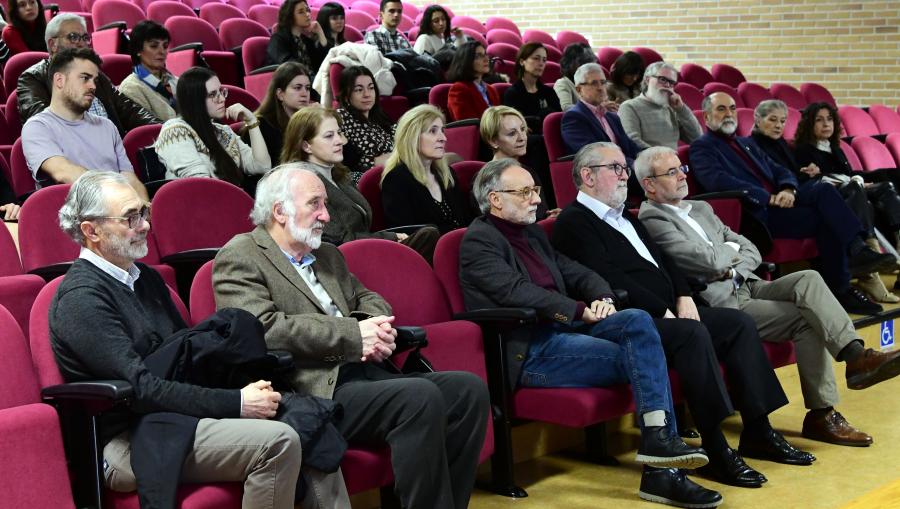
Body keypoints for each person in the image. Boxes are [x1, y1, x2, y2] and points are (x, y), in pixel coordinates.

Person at [213, 165, 490, 509]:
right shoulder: (241, 256)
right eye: (315, 204)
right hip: (312, 386)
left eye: (325, 204)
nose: (326, 215)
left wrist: (369, 329)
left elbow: (371, 299)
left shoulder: (327, 254)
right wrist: (353, 335)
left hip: (366, 373)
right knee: (418, 396)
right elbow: (262, 329)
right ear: (279, 210)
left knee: (468, 391)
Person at [459, 158, 722, 509]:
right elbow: (518, 292)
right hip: (534, 351)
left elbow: (576, 271)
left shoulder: (533, 233)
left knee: (637, 319)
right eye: (524, 192)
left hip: (567, 332)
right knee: (645, 355)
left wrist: (601, 297)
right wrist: (580, 310)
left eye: (535, 190)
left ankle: (659, 446)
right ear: (495, 199)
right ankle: (663, 468)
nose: (536, 199)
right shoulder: (479, 242)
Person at [552, 141, 812, 488]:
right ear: (587, 176)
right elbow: (607, 277)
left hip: (670, 310)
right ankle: (716, 448)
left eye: (624, 169)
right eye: (615, 169)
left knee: (737, 323)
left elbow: (665, 261)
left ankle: (758, 430)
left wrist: (684, 294)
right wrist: (663, 308)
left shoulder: (624, 216)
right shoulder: (574, 222)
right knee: (692, 334)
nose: (623, 176)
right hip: (631, 320)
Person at [49, 171, 305, 509]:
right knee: (279, 441)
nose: (144, 225)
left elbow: (184, 360)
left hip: (172, 416)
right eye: (130, 217)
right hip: (129, 437)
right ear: (91, 230)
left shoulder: (146, 278)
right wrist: (237, 403)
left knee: (308, 419)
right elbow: (141, 389)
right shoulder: (81, 298)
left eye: (144, 212)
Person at [636, 145, 900, 448]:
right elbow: (706, 261)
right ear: (650, 185)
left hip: (746, 282)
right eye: (671, 172)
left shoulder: (701, 208)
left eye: (681, 168)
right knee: (807, 320)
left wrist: (729, 259)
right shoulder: (652, 219)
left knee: (809, 278)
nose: (682, 176)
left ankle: (856, 356)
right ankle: (822, 415)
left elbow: (750, 248)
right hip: (724, 301)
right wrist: (728, 254)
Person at [690, 92, 895, 314]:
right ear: (707, 117)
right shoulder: (702, 147)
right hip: (756, 214)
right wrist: (767, 197)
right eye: (721, 109)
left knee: (824, 190)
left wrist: (788, 188)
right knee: (826, 219)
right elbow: (717, 181)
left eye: (731, 108)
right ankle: (844, 283)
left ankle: (854, 253)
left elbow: (780, 170)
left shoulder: (744, 143)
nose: (728, 114)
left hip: (781, 202)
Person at [753, 100, 900, 303]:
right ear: (757, 119)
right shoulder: (755, 145)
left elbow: (787, 173)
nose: (779, 125)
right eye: (773, 120)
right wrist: (797, 181)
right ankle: (860, 264)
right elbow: (773, 177)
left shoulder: (785, 144)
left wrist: (799, 175)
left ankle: (862, 263)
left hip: (801, 191)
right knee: (838, 199)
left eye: (782, 121)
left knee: (880, 188)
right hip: (781, 203)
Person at [280, 106, 438, 256]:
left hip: (367, 247)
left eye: (339, 133)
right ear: (306, 146)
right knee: (429, 236)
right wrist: (390, 237)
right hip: (347, 260)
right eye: (329, 136)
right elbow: (340, 240)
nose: (340, 141)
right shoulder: (305, 186)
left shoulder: (339, 174)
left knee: (430, 234)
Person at [21, 48, 148, 201]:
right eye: (85, 78)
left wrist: (143, 208)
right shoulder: (38, 127)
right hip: (76, 217)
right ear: (59, 80)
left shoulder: (107, 126)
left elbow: (130, 178)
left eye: (95, 80)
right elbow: (63, 173)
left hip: (121, 213)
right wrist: (119, 198)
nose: (93, 86)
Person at [17, 13, 158, 135]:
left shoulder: (97, 76)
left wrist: (162, 129)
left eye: (85, 37)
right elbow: (43, 125)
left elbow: (130, 110)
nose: (81, 43)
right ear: (53, 44)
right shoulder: (33, 78)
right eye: (73, 37)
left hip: (115, 151)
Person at [154, 67, 271, 184]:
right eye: (212, 94)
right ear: (195, 100)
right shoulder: (175, 130)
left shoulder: (224, 132)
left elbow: (263, 167)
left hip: (231, 197)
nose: (222, 99)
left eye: (220, 91)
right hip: (200, 200)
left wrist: (251, 122)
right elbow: (199, 184)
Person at [381, 105, 471, 234]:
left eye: (442, 131)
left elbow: (465, 221)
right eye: (433, 131)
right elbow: (409, 237)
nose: (443, 138)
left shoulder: (447, 174)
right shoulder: (396, 180)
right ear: (412, 137)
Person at [480, 105, 558, 219]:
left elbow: (538, 213)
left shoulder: (527, 170)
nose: (522, 138)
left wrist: (549, 216)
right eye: (512, 133)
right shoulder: (486, 180)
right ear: (493, 141)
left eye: (522, 129)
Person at [561, 63, 641, 160]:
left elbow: (632, 148)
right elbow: (593, 156)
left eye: (603, 82)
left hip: (626, 167)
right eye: (594, 83)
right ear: (579, 89)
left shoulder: (613, 117)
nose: (600, 88)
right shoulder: (574, 117)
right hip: (605, 171)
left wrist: (649, 158)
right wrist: (633, 166)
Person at [618, 61, 702, 150]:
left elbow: (696, 138)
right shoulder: (629, 107)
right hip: (648, 161)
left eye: (671, 83)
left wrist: (682, 109)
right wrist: (663, 158)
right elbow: (633, 142)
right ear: (647, 79)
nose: (667, 85)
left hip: (673, 162)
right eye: (662, 79)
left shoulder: (671, 108)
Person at [245, 61, 313, 166]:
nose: (305, 94)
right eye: (297, 88)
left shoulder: (310, 119)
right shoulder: (261, 126)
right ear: (280, 94)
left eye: (307, 88)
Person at [336, 65, 396, 181]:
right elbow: (348, 163)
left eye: (371, 88)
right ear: (346, 96)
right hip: (368, 180)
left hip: (394, 172)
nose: (367, 94)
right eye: (359, 89)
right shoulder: (341, 117)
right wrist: (376, 161)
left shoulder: (378, 116)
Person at [117, 20, 178, 121]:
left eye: (165, 46)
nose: (162, 51)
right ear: (138, 50)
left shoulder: (177, 81)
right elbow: (149, 129)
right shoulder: (130, 88)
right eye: (154, 46)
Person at [501, 42, 561, 132]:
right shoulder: (512, 93)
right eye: (536, 58)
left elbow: (559, 119)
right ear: (522, 62)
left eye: (544, 60)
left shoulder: (549, 92)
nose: (541, 63)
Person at [265, 0, 328, 74]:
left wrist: (320, 32)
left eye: (307, 10)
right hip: (290, 81)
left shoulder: (305, 40)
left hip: (309, 81)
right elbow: (289, 66)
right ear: (290, 16)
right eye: (301, 12)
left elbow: (323, 63)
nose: (307, 14)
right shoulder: (278, 39)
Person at [446, 40, 498, 122]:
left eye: (485, 55)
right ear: (466, 61)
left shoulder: (491, 90)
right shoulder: (459, 89)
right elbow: (467, 126)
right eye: (478, 56)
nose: (486, 59)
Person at [553, 42, 597, 111]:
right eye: (583, 63)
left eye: (590, 63)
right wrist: (595, 109)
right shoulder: (563, 83)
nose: (587, 68)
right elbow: (566, 107)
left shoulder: (591, 84)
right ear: (569, 63)